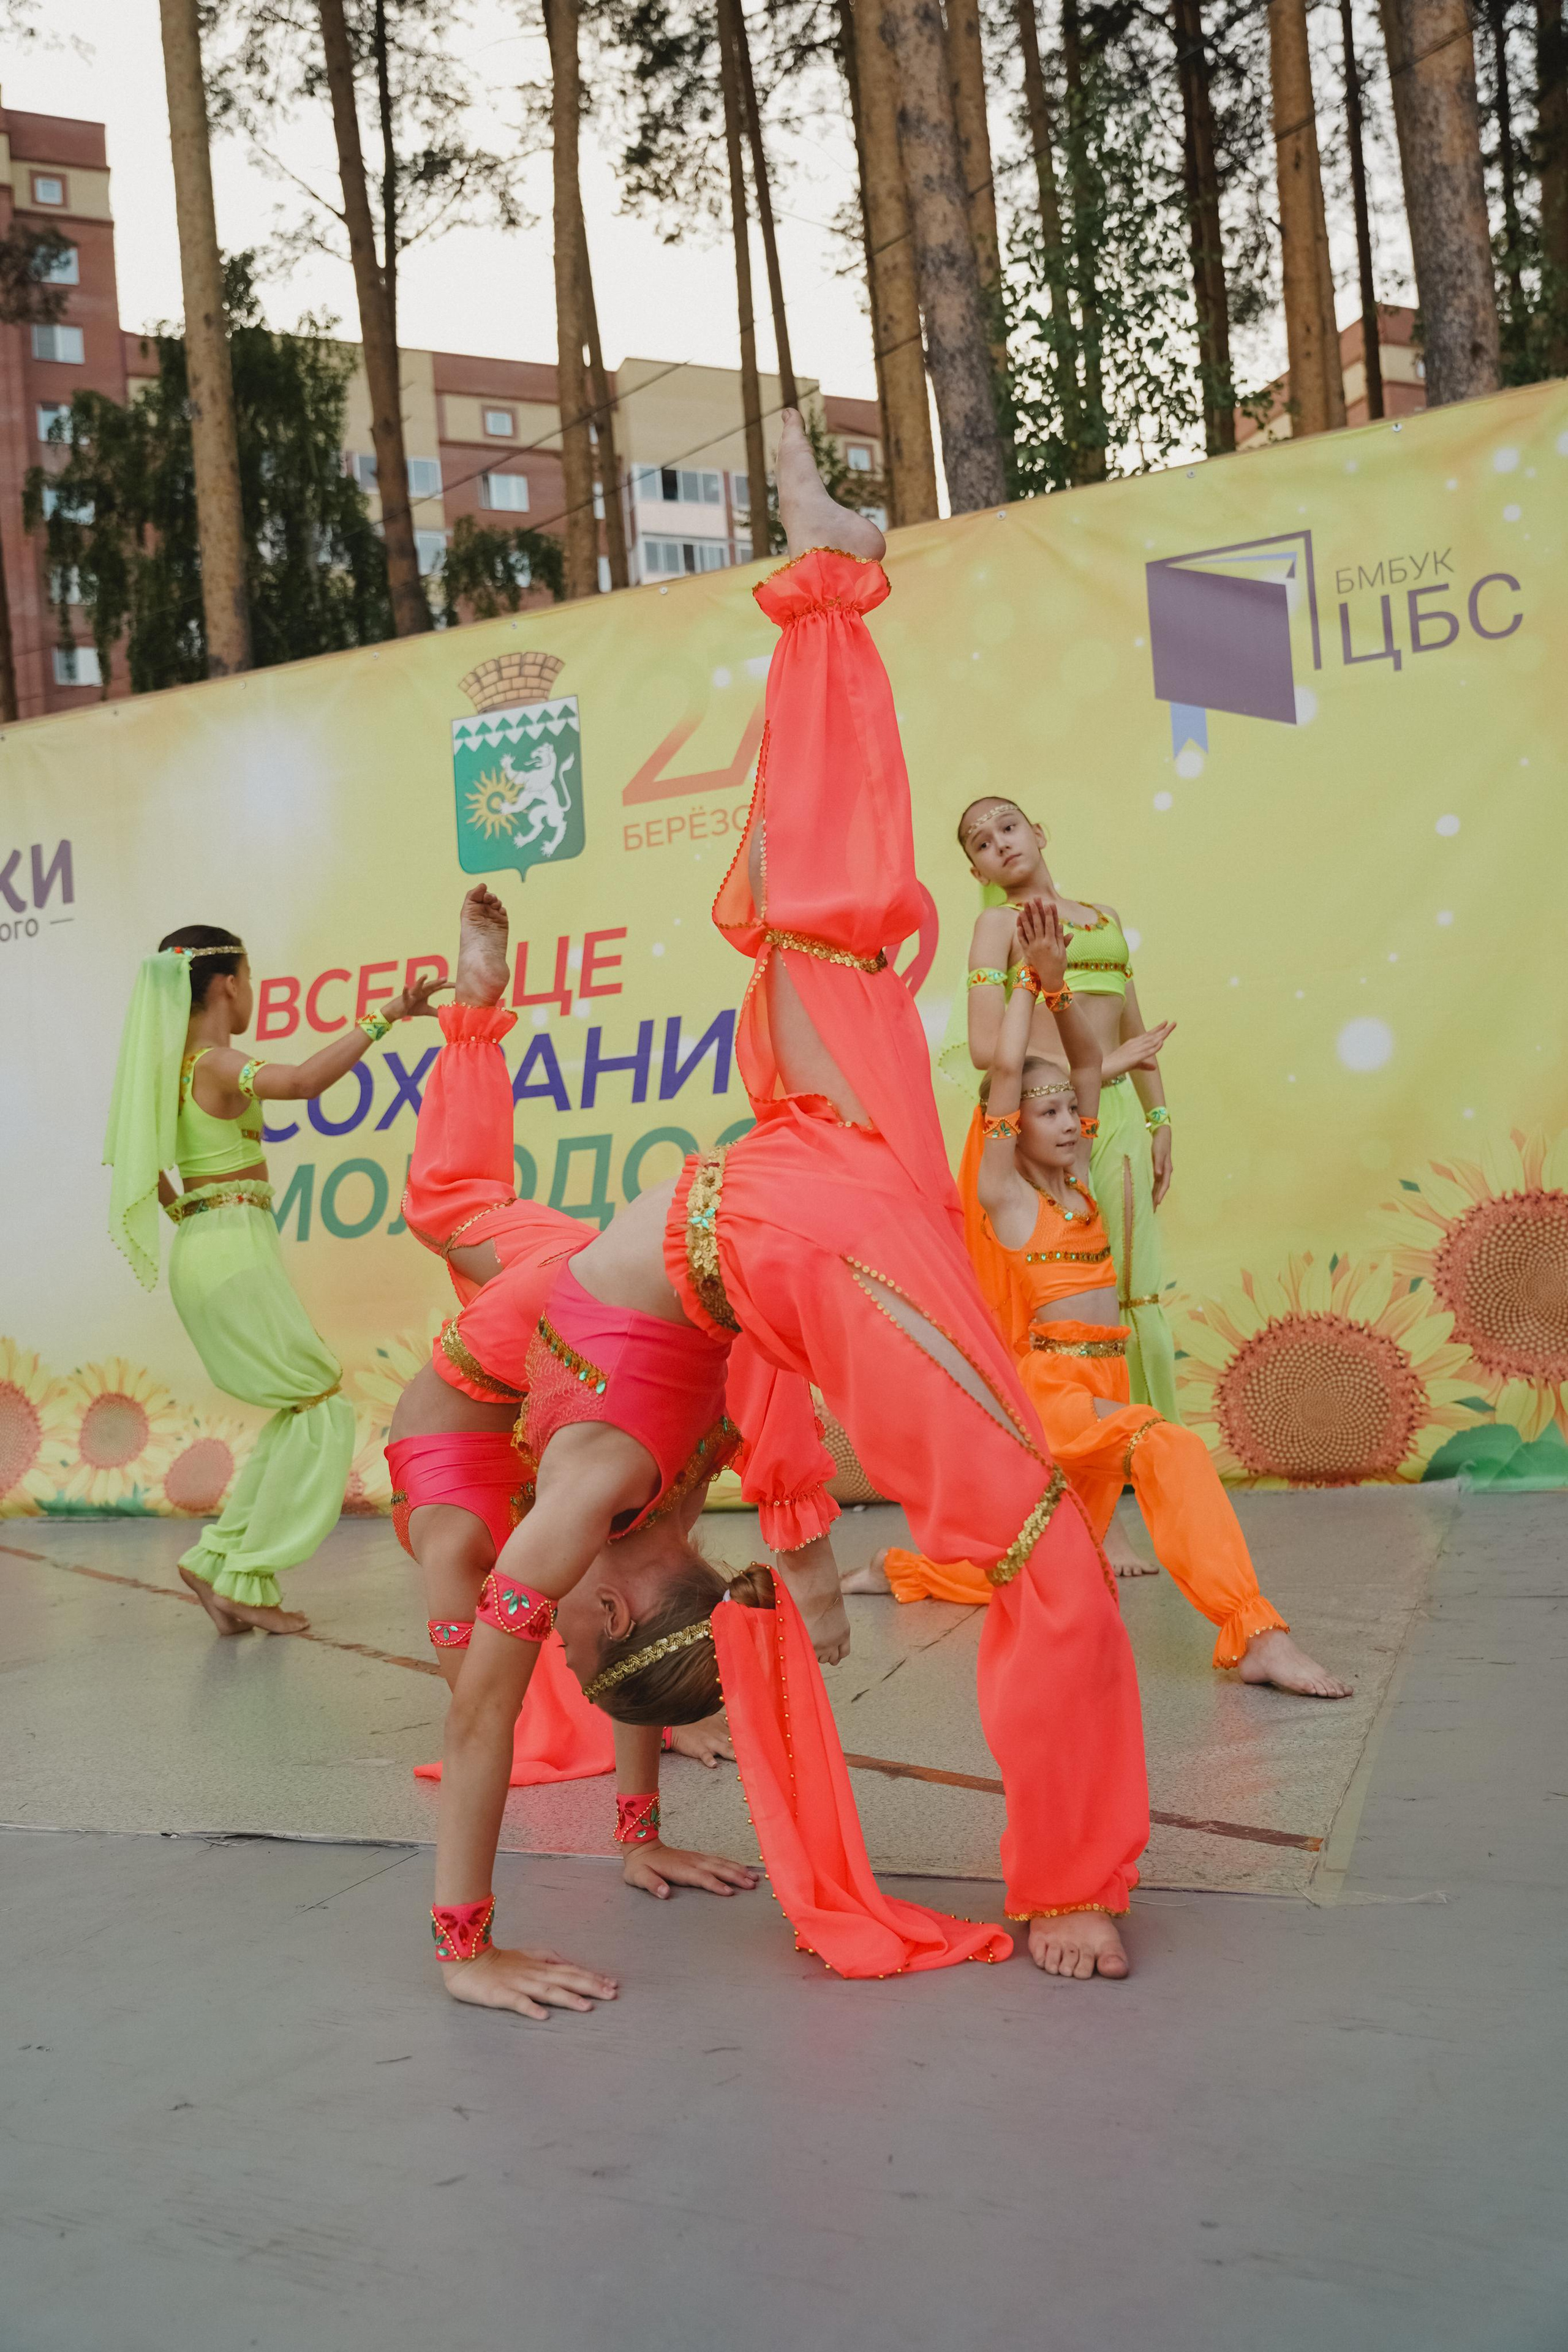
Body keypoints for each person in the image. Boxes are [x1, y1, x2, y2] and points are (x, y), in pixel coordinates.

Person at [423, 413, 1148, 2015]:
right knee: (825, 931)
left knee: (1026, 1528)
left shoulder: (601, 1501)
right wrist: (631, 1835)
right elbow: (621, 1653)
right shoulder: (641, 1504)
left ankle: (1076, 1874)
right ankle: (831, 586)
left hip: (785, 1224)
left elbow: (493, 1698)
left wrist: (468, 1946)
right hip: (802, 1203)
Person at [870, 901, 1351, 1698]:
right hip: (1054, 1393)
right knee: (1174, 1449)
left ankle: (904, 1571)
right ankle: (1255, 1632)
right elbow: (1001, 1075)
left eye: (1070, 1112)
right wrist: (1026, 986)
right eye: (1047, 1115)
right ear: (1011, 1129)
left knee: (1041, 1559)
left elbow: (1088, 1068)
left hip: (1106, 1382)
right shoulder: (1009, 1198)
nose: (1067, 1124)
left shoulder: (1081, 1179)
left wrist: (1062, 994)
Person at [104, 926, 443, 1636]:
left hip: (211, 1246)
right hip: (231, 1252)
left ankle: (224, 1564)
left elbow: (156, 1181)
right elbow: (305, 1082)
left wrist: (201, 1210)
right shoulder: (217, 1064)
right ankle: (241, 1566)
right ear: (227, 983)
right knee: (319, 1406)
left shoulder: (170, 1075)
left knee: (304, 1410)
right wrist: (387, 1014)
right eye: (250, 978)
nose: (253, 992)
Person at [947, 797, 1180, 1422]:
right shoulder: (998, 928)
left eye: (1007, 825)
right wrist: (1104, 1066)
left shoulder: (1104, 919)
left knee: (1135, 1286)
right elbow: (985, 1050)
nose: (998, 842)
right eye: (979, 842)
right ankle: (1094, 1438)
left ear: (1039, 832)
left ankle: (1154, 1439)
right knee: (1073, 1292)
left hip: (1119, 1118)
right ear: (978, 873)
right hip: (1049, 1126)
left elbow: (1133, 1030)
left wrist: (1158, 1120)